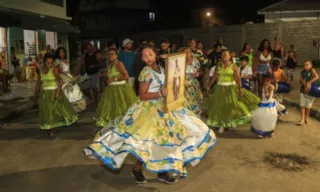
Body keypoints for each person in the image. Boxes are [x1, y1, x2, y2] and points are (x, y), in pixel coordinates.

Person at [84, 45, 216, 184]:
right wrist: (160, 93)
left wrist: (179, 82)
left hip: (165, 108)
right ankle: (137, 168)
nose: (147, 58)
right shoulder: (146, 72)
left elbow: (170, 84)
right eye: (144, 56)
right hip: (150, 110)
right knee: (147, 143)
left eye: (150, 54)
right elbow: (142, 95)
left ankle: (162, 172)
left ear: (155, 54)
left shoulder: (162, 68)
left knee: (165, 141)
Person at [206, 49, 260, 133]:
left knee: (231, 106)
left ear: (229, 56)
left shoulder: (234, 66)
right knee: (219, 106)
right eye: (222, 55)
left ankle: (230, 123)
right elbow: (214, 77)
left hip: (230, 88)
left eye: (225, 55)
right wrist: (209, 86)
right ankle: (221, 124)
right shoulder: (218, 65)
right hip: (219, 88)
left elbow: (237, 78)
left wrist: (240, 88)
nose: (223, 57)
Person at [33, 55, 78, 137]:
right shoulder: (40, 70)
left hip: (53, 92)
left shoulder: (54, 69)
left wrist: (57, 93)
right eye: (47, 62)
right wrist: (34, 95)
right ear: (44, 62)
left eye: (51, 63)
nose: (49, 64)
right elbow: (38, 84)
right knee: (48, 111)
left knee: (53, 111)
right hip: (45, 94)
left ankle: (52, 129)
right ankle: (53, 127)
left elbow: (60, 82)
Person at [95, 48, 137, 127]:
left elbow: (126, 76)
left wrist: (114, 79)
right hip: (111, 89)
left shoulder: (119, 64)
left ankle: (122, 122)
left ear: (116, 55)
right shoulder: (110, 64)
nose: (110, 55)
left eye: (112, 54)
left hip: (120, 88)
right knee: (111, 107)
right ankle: (114, 122)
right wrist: (103, 75)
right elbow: (109, 73)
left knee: (121, 106)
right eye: (109, 54)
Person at [55, 47, 86, 112]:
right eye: (60, 52)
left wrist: (73, 76)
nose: (62, 53)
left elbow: (69, 71)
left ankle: (73, 109)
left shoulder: (66, 60)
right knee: (66, 92)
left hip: (68, 76)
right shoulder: (57, 61)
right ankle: (66, 109)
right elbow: (59, 70)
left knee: (74, 91)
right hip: (62, 77)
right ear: (58, 53)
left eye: (63, 52)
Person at [251, 73, 277, 138]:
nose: (265, 82)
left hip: (269, 106)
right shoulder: (263, 86)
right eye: (265, 80)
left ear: (270, 80)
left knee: (269, 119)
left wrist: (265, 88)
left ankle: (270, 132)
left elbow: (268, 97)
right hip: (263, 103)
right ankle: (261, 132)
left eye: (267, 81)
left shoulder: (270, 87)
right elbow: (262, 95)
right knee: (259, 118)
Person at [299, 60, 319, 125]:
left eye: (307, 65)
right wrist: (303, 82)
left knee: (308, 107)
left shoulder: (312, 70)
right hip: (303, 90)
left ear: (311, 65)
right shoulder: (302, 72)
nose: (305, 66)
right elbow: (300, 80)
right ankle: (302, 119)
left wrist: (309, 82)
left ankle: (306, 119)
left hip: (311, 91)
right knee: (302, 106)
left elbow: (317, 77)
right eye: (304, 65)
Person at [184, 48, 203, 116]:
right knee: (187, 101)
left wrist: (198, 73)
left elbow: (200, 71)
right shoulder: (181, 61)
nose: (186, 54)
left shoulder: (195, 61)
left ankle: (195, 114)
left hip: (193, 83)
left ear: (191, 53)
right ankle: (188, 115)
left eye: (188, 52)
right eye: (185, 52)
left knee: (197, 98)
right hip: (184, 83)